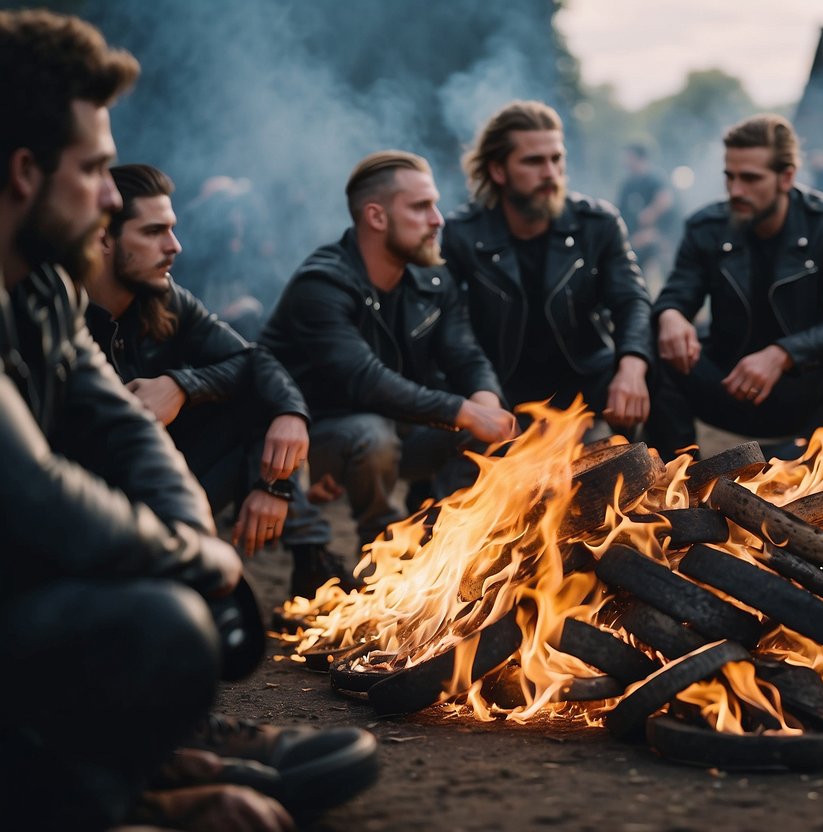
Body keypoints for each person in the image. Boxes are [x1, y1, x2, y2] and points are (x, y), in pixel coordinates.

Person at [0, 10, 292, 829]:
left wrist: (189, 526)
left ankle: (132, 769)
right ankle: (104, 805)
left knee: (181, 605)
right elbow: (34, 489)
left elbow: (123, 426)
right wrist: (188, 558)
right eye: (94, 169)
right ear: (25, 170)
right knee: (156, 623)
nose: (105, 195)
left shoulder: (43, 283)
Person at [83, 163, 352, 598]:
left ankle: (310, 560)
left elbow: (252, 360)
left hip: (164, 488)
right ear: (104, 238)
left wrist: (185, 387)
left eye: (171, 229)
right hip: (94, 511)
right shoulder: (58, 314)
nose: (175, 246)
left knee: (256, 403)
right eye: (153, 232)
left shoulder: (165, 297)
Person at [260, 150, 517, 550]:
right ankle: (379, 551)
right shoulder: (322, 284)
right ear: (376, 217)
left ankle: (442, 544)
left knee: (497, 427)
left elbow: (465, 353)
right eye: (421, 207)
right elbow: (366, 381)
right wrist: (465, 411)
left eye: (434, 204)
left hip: (399, 430)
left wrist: (486, 401)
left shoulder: (432, 277)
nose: (438, 219)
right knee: (372, 433)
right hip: (311, 445)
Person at [647, 113, 823, 460]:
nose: (736, 190)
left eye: (750, 178)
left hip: (810, 394)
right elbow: (679, 290)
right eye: (730, 177)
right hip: (730, 385)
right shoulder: (706, 227)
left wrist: (783, 355)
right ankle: (680, 488)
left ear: (786, 177)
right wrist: (671, 315)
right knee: (653, 351)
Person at [442, 101, 654, 438]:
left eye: (556, 159)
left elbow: (632, 300)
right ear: (498, 171)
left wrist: (631, 365)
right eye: (534, 161)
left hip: (585, 379)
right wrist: (480, 392)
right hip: (498, 388)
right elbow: (450, 327)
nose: (550, 173)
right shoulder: (462, 233)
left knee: (657, 371)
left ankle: (677, 484)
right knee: (465, 483)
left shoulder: (597, 223)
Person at [617, 141, 677, 289]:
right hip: (635, 239)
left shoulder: (654, 178)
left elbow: (665, 199)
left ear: (638, 157)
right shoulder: (628, 184)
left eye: (628, 156)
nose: (624, 161)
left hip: (661, 237)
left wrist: (649, 215)